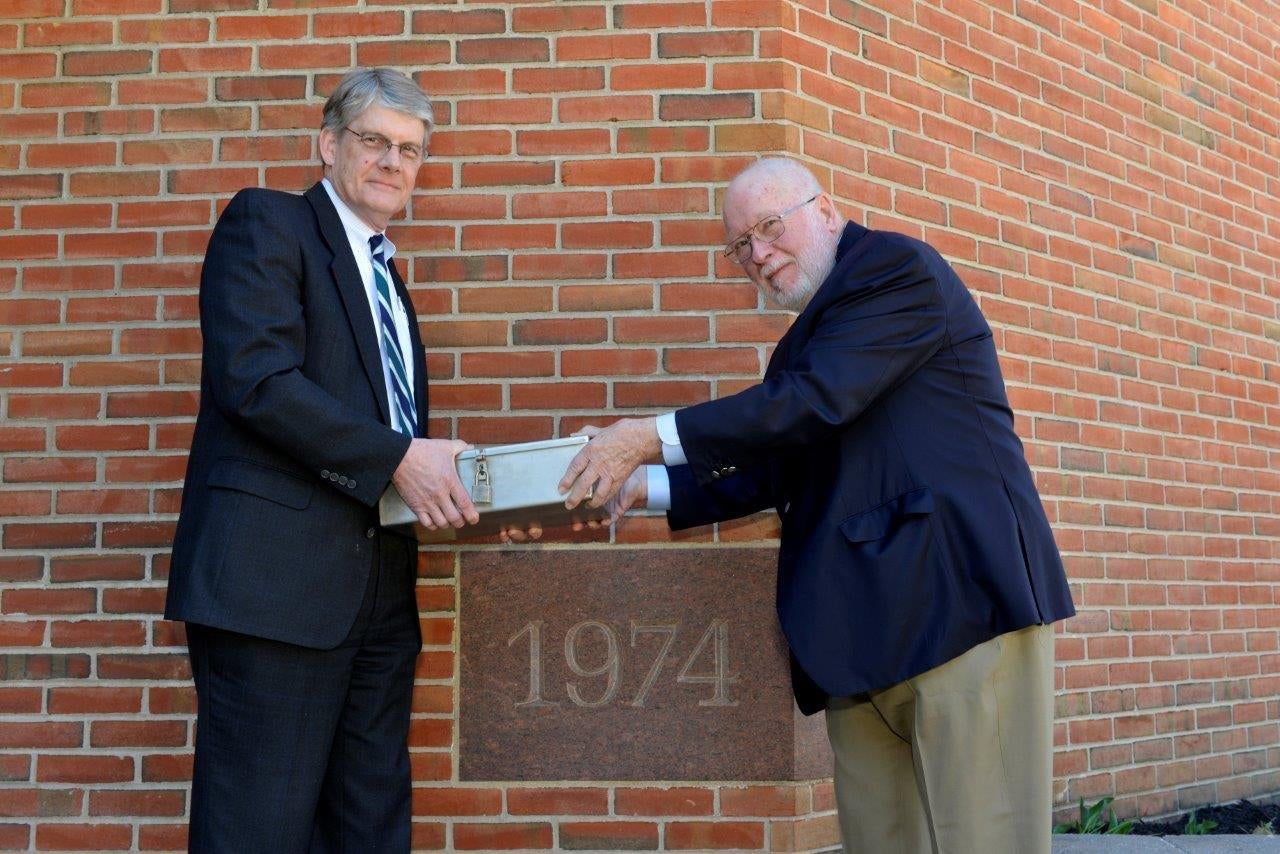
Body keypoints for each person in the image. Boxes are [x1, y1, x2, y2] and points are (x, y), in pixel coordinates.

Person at [560, 157, 1076, 853]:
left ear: (826, 209)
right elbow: (776, 465)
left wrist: (645, 438)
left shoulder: (897, 271)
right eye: (740, 246)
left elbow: (807, 405)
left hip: (958, 611)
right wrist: (640, 486)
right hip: (862, 646)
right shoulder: (808, 343)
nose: (758, 255)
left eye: (770, 227)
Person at [165, 68, 483, 852]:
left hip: (378, 596)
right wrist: (399, 459)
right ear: (328, 144)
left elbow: (388, 431)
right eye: (374, 140)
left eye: (411, 150)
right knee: (260, 831)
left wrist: (466, 485)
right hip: (275, 591)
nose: (393, 162)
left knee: (368, 828)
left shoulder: (387, 281)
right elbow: (258, 380)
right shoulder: (268, 224)